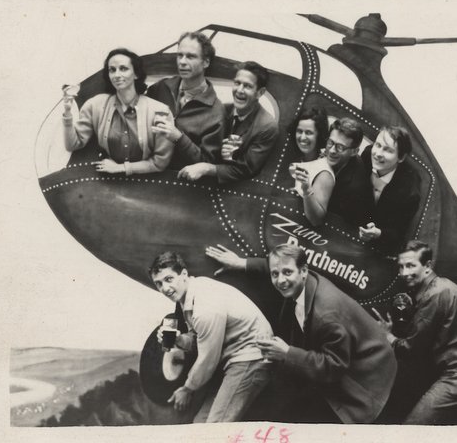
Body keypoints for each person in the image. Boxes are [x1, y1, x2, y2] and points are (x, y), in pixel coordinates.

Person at [205, 243, 397, 424]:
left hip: (365, 380)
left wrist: (287, 353)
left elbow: (334, 367)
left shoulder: (326, 315)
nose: (280, 280)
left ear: (304, 271)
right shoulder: (300, 280)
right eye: (275, 274)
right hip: (344, 360)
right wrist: (241, 263)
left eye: (287, 273)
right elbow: (277, 265)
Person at [372, 240, 457, 425]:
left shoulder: (433, 295)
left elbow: (410, 349)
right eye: (400, 267)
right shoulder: (450, 286)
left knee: (410, 432)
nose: (404, 273)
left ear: (427, 266)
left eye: (410, 265)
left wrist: (388, 336)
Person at [148, 251, 273, 423]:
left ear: (183, 274)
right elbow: (199, 339)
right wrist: (179, 340)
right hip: (231, 359)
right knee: (200, 424)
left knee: (214, 429)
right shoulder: (193, 293)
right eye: (159, 283)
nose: (165, 288)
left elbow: (208, 359)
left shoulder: (205, 305)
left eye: (169, 279)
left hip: (251, 357)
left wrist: (187, 388)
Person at [63, 48, 174, 175]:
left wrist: (121, 168)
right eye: (112, 70)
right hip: (109, 183)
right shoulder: (95, 105)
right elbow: (73, 144)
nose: (116, 75)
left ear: (136, 74)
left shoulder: (160, 112)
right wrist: (67, 113)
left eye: (123, 69)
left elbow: (160, 163)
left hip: (147, 183)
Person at [176, 61, 278, 184]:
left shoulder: (267, 126)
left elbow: (246, 170)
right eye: (237, 83)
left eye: (247, 86)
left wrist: (207, 168)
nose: (239, 90)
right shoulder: (221, 109)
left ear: (260, 93)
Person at [146, 31, 225, 169]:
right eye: (179, 55)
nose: (182, 62)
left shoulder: (217, 112)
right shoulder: (160, 88)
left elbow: (207, 163)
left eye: (190, 56)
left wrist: (178, 137)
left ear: (206, 62)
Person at [359, 126, 421, 254]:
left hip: (381, 246)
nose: (378, 154)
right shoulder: (367, 154)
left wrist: (378, 233)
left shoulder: (410, 192)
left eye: (388, 150)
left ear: (401, 158)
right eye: (378, 145)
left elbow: (398, 233)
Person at [287, 107, 333, 226]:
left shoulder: (324, 173)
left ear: (319, 135)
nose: (302, 138)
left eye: (309, 133)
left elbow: (316, 220)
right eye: (299, 131)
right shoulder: (301, 158)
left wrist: (307, 191)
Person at [325, 118, 372, 226]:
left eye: (340, 147)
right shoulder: (335, 158)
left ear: (354, 152)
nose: (332, 150)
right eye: (330, 143)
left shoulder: (355, 189)